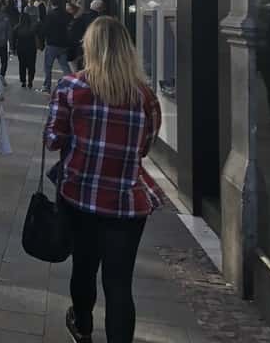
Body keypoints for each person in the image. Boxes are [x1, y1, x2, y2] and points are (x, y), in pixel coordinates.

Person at [46, 17, 163, 343]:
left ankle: (82, 325)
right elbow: (146, 145)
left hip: (81, 194)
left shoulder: (72, 87)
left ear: (90, 47)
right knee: (119, 283)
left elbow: (53, 140)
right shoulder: (145, 96)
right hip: (126, 200)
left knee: (84, 267)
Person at [40, 0, 74, 92]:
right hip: (64, 44)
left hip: (52, 44)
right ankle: (71, 84)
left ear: (51, 4)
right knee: (64, 66)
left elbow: (45, 29)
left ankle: (47, 86)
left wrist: (42, 39)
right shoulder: (67, 15)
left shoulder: (50, 14)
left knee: (48, 66)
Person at [68, 0, 104, 70]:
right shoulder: (99, 20)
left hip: (81, 48)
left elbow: (73, 33)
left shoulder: (82, 17)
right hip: (94, 48)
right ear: (100, 8)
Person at [14, 12, 39, 89]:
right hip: (31, 48)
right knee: (31, 65)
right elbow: (37, 37)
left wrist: (13, 49)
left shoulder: (17, 28)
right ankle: (30, 80)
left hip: (21, 49)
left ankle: (23, 81)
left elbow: (13, 39)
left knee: (22, 65)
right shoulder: (33, 27)